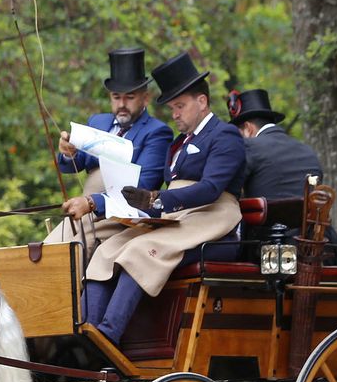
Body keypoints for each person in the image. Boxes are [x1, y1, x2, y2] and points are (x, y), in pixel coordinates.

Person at [80, 52, 246, 347]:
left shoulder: (225, 135)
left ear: (202, 102)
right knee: (108, 249)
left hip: (213, 217)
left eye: (180, 106)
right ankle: (86, 332)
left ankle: (108, 334)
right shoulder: (180, 143)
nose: (175, 114)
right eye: (172, 108)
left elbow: (210, 188)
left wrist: (158, 199)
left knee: (141, 249)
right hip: (179, 216)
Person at [48, 47, 171, 249]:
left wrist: (93, 202)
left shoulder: (157, 132)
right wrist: (68, 151)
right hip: (84, 213)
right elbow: (73, 165)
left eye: (130, 97)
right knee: (46, 249)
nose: (122, 104)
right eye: (116, 97)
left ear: (145, 98)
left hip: (122, 218)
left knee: (71, 251)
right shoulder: (98, 122)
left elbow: (143, 186)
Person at [227, 88, 322, 199]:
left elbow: (226, 186)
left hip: (268, 216)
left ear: (248, 128)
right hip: (308, 216)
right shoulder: (308, 151)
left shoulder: (249, 147)